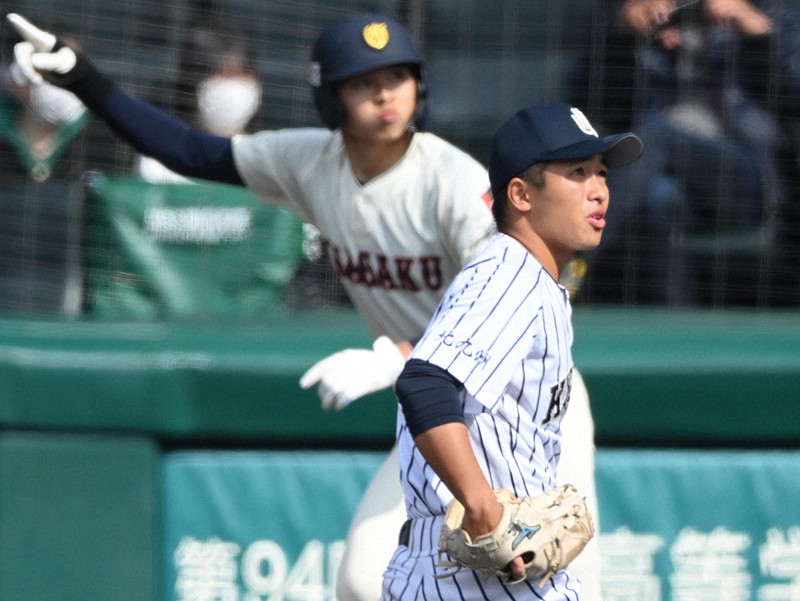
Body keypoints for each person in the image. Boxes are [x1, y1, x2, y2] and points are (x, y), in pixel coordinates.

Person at [6, 13, 603, 600]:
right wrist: (86, 80)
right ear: (330, 96)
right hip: (440, 413)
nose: (384, 96)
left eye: (396, 77)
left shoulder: (450, 181)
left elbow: (503, 301)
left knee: (563, 574)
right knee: (365, 580)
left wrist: (402, 355)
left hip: (522, 403)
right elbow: (190, 151)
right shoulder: (309, 161)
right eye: (363, 83)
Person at [384, 102, 642, 600]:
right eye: (577, 172)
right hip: (469, 575)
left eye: (602, 173)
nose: (599, 190)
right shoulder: (510, 273)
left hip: (483, 573)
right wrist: (483, 507)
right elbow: (424, 383)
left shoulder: (532, 281)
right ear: (521, 194)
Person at [571, 0, 800, 305]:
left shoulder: (771, 7)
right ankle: (679, 325)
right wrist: (622, 35)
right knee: (658, 198)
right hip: (657, 175)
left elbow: (792, 93)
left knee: (657, 137)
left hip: (747, 176)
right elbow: (585, 102)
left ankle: (569, 264)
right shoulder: (630, 8)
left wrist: (757, 30)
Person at [135, 21, 262, 184]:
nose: (232, 89)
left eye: (241, 75)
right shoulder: (158, 162)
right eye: (221, 75)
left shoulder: (260, 158)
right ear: (192, 82)